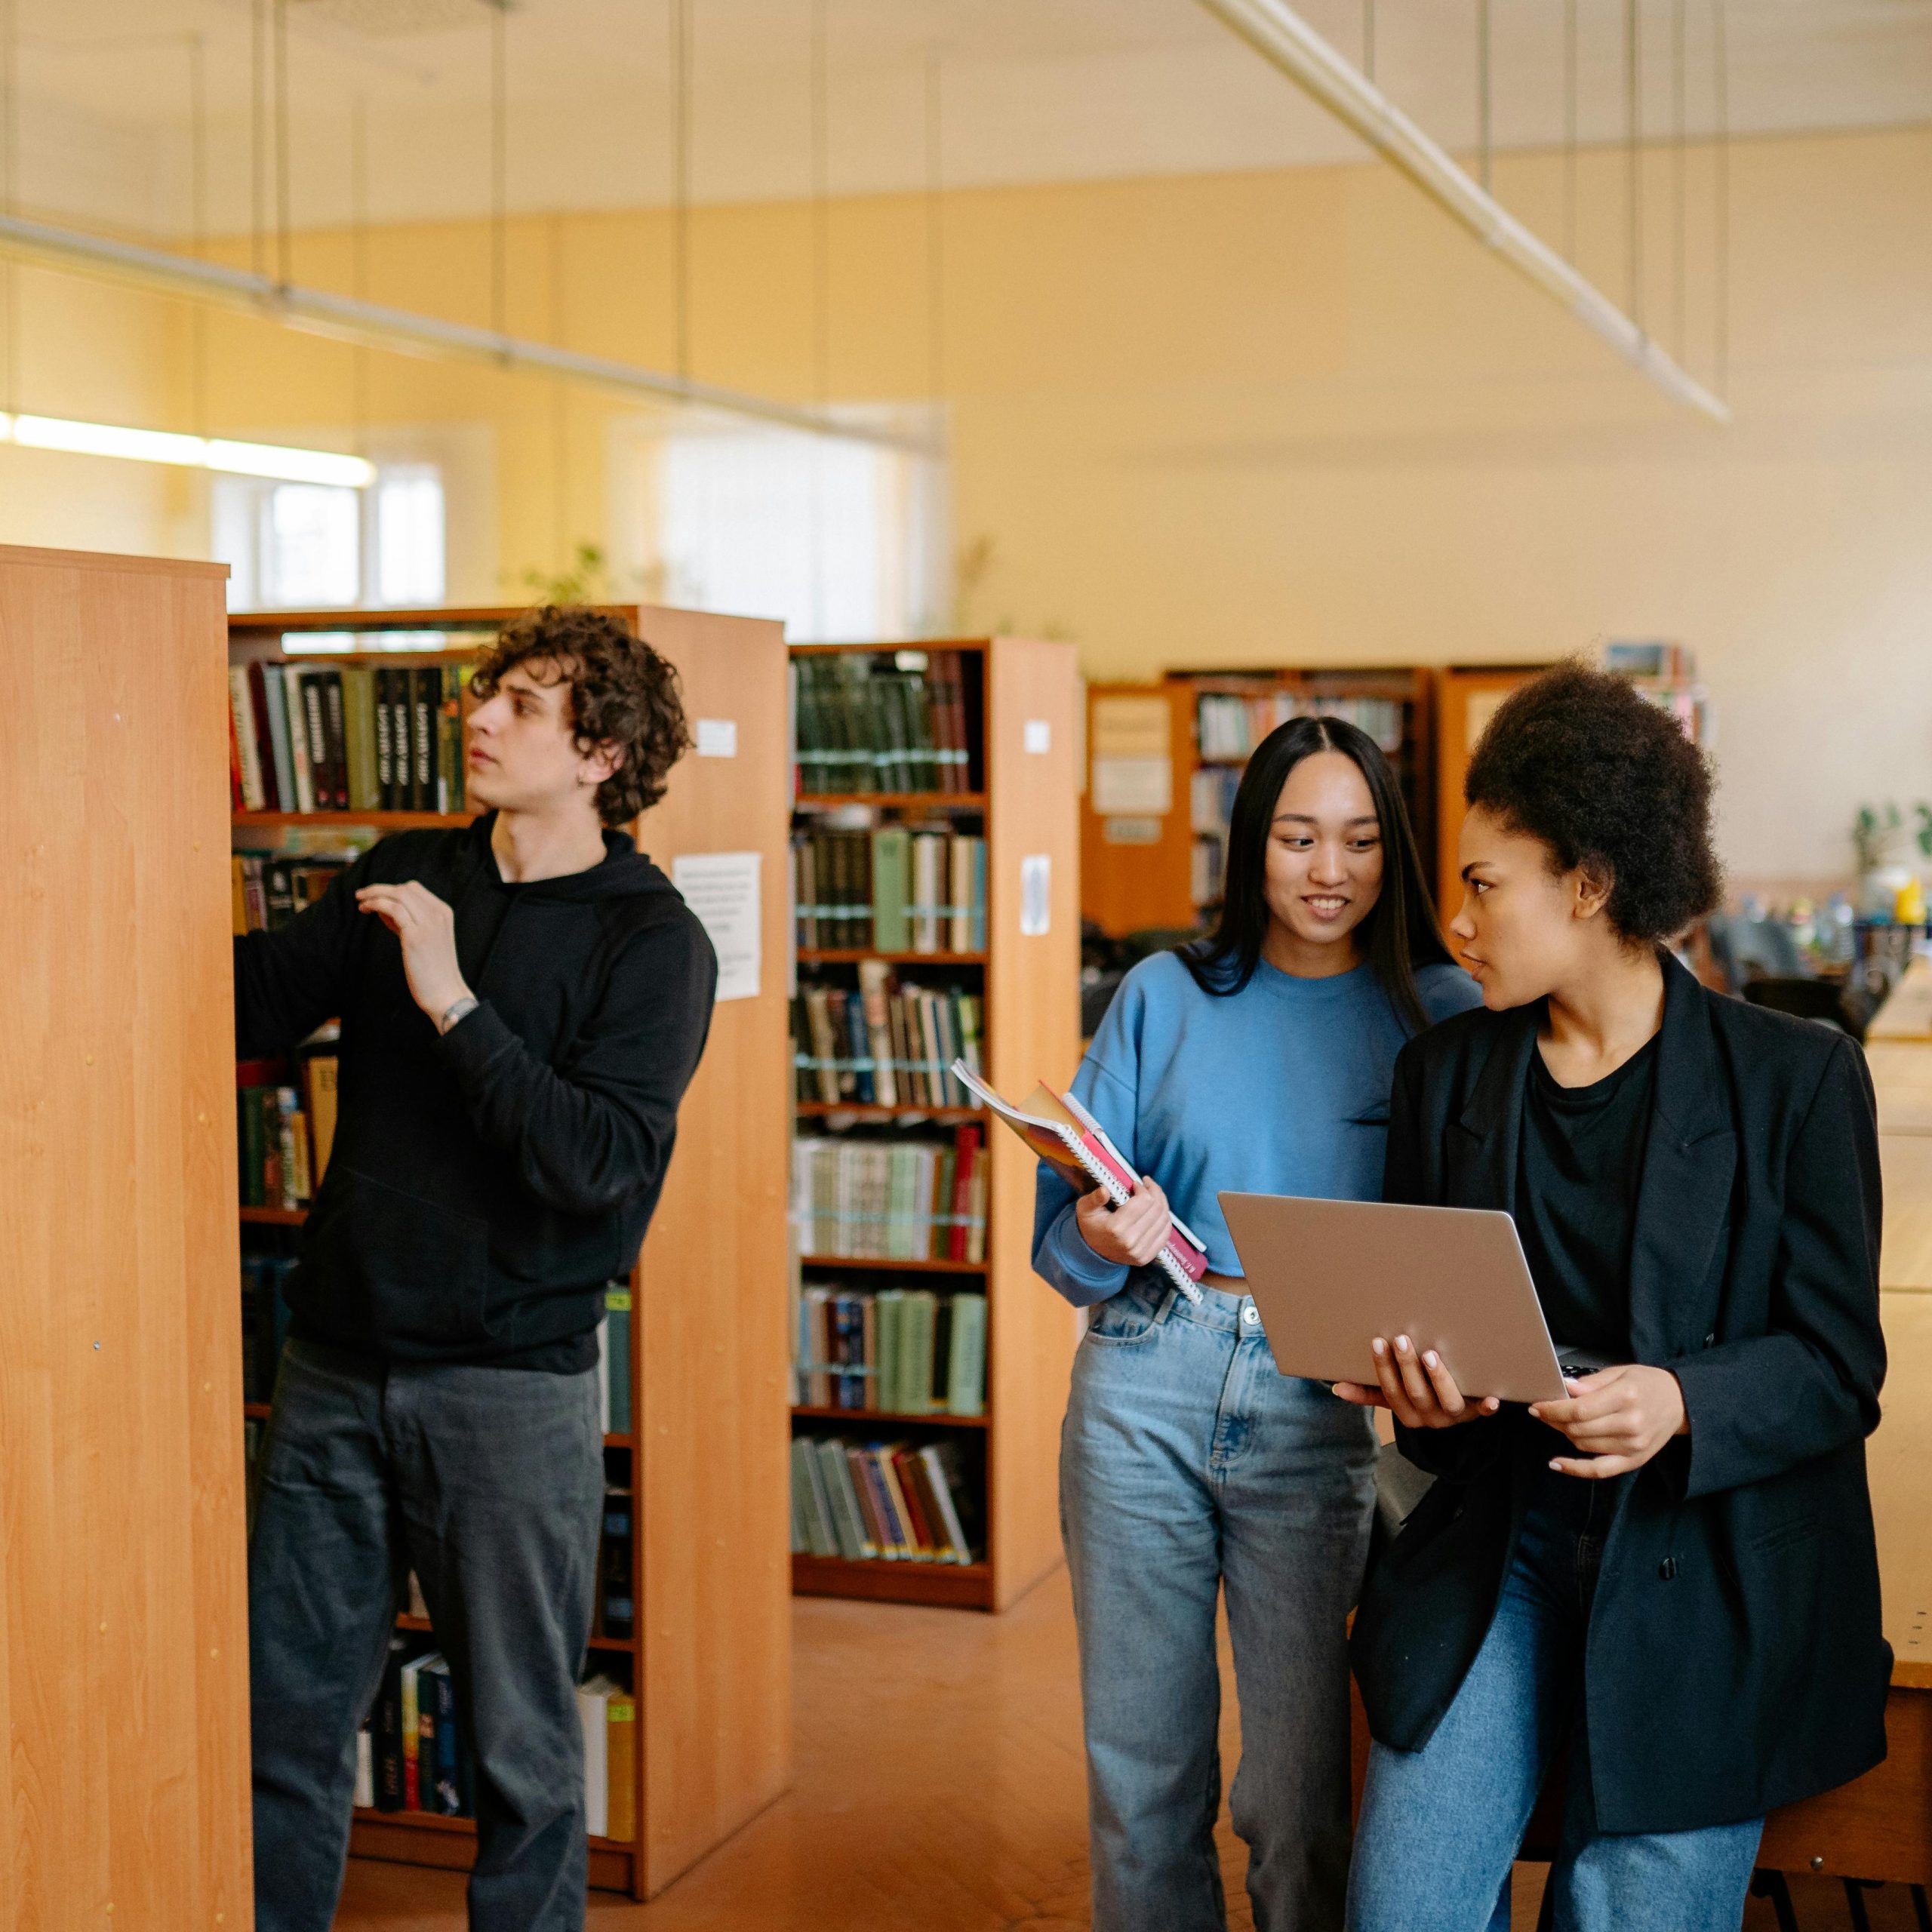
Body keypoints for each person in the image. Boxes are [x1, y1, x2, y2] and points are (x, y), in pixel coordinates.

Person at [1340, 663, 1889, 1932]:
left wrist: (1680, 1403)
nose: (1456, 922)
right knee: (1400, 1914)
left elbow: (1836, 1366)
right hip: (1505, 1558)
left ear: (1588, 884)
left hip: (1704, 1568)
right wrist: (1423, 1397)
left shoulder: (1797, 1083)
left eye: (1483, 886)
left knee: (1621, 1912)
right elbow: (1431, 1419)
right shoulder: (1446, 1076)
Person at [240, 607, 718, 1932]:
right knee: (282, 1729)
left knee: (522, 1758)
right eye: (484, 692)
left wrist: (451, 1000)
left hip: (510, 1394)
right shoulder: (404, 866)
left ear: (603, 751)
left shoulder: (653, 942)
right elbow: (246, 997)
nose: (481, 716)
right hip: (334, 1366)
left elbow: (594, 1163)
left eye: (523, 702)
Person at [1032, 716, 1481, 1932]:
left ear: (1396, 855)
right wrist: (1099, 1236)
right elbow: (1056, 1246)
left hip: (1322, 1406)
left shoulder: (1442, 1013)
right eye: (1296, 837)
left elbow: (1469, 1248)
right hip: (1143, 1381)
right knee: (1143, 1775)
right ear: (1252, 846)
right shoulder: (1161, 993)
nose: (1326, 870)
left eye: (1358, 840)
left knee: (1299, 1795)